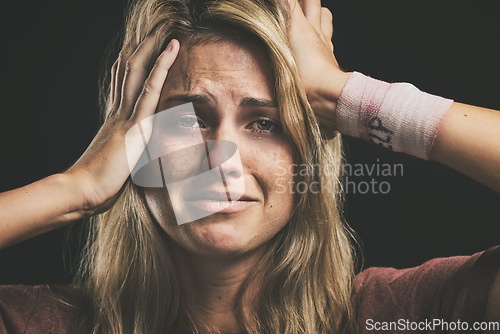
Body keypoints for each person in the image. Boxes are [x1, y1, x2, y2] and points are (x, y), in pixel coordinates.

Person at [0, 0, 499, 333]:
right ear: (136, 146)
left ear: (309, 155)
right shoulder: (43, 323)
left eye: (264, 123)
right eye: (190, 119)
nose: (223, 159)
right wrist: (77, 187)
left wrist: (347, 96)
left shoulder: (400, 315)